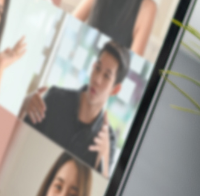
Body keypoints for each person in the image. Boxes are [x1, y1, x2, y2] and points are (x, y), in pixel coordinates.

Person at [20, 41, 128, 175]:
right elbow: (17, 142)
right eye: (97, 68)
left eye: (106, 76)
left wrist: (104, 160)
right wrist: (23, 105)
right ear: (93, 67)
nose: (97, 79)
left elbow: (100, 187)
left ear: (115, 89)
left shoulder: (108, 140)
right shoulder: (54, 98)